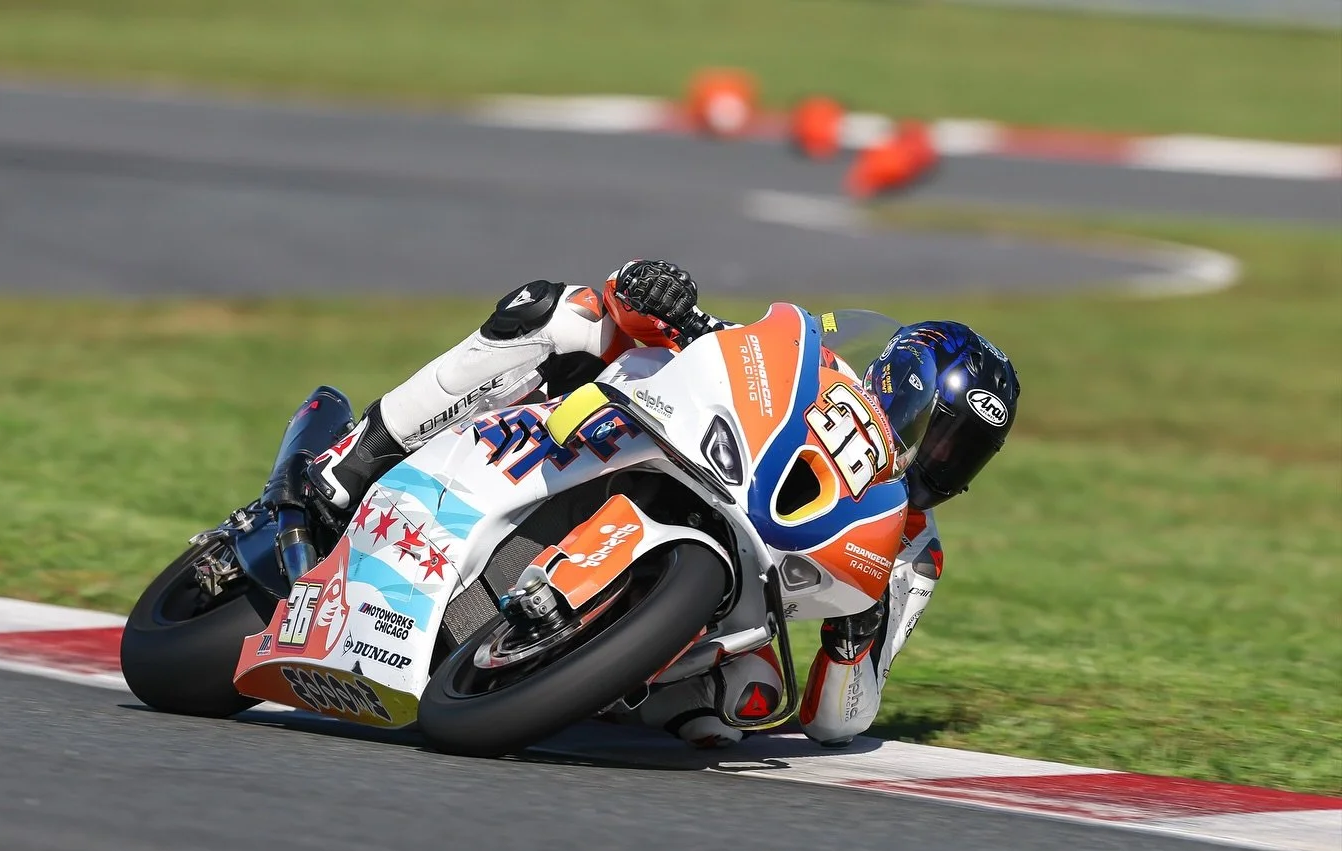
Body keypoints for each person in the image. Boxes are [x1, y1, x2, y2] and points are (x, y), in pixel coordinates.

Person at [305, 260, 1020, 748]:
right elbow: (725, 349)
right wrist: (662, 299)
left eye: (961, 453)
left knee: (746, 699)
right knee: (569, 313)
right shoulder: (820, 372)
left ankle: (582, 669)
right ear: (897, 381)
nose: (937, 458)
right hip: (633, 451)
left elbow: (840, 719)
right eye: (936, 428)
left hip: (713, 635)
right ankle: (358, 454)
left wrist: (857, 630)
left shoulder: (914, 555)